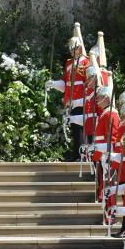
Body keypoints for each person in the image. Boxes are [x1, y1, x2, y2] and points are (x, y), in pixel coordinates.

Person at [46, 22, 89, 162]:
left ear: (80, 48)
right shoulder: (69, 63)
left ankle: (81, 155)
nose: (72, 51)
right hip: (71, 101)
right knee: (75, 129)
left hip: (83, 100)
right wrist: (53, 84)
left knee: (80, 128)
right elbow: (66, 84)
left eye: (74, 48)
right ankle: (77, 154)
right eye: (71, 49)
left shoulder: (86, 62)